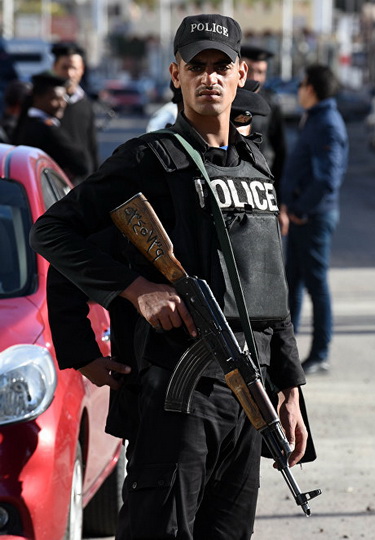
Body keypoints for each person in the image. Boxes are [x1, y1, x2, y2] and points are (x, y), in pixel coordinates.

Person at [30, 14, 309, 539]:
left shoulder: (254, 165)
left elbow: (271, 291)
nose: (210, 77)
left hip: (249, 394)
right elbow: (54, 233)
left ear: (241, 74)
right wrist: (135, 293)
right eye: (196, 66)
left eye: (221, 66)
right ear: (176, 75)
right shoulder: (146, 161)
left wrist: (291, 386)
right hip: (176, 398)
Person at [280, 64, 348, 375]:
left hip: (313, 217)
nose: (298, 90)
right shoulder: (316, 119)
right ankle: (285, 352)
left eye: (302, 84)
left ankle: (320, 353)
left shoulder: (327, 124)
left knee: (316, 285)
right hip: (303, 216)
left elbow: (327, 179)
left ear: (312, 89)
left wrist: (301, 209)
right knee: (291, 284)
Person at [13, 71, 89, 181]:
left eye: (64, 98)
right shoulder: (47, 128)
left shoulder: (25, 123)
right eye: (56, 99)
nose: (62, 104)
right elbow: (81, 164)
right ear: (38, 98)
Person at [242, 44, 287, 190]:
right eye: (251, 70)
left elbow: (280, 149)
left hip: (264, 180)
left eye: (261, 72)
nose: (255, 78)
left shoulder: (271, 104)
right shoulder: (225, 101)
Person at [51, 42, 98, 181]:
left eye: (74, 68)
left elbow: (92, 147)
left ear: (82, 69)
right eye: (64, 67)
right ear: (54, 68)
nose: (69, 73)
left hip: (80, 184)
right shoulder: (42, 102)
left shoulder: (85, 104)